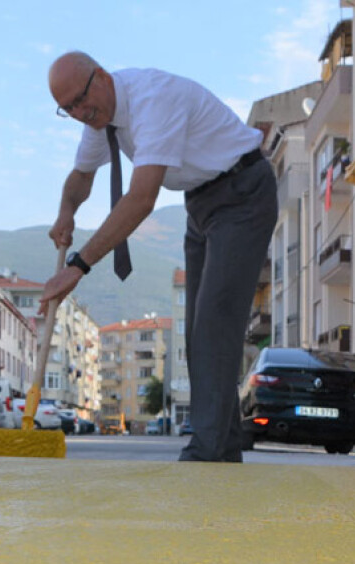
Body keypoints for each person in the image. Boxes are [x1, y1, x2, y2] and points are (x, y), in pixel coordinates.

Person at [39, 52, 277, 463]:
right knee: (198, 338)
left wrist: (78, 265)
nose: (80, 114)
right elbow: (81, 176)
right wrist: (66, 210)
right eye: (68, 110)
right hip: (201, 204)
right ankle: (223, 448)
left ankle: (206, 451)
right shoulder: (100, 118)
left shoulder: (153, 100)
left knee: (214, 325)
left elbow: (140, 200)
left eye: (80, 101)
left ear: (100, 77)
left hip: (242, 194)